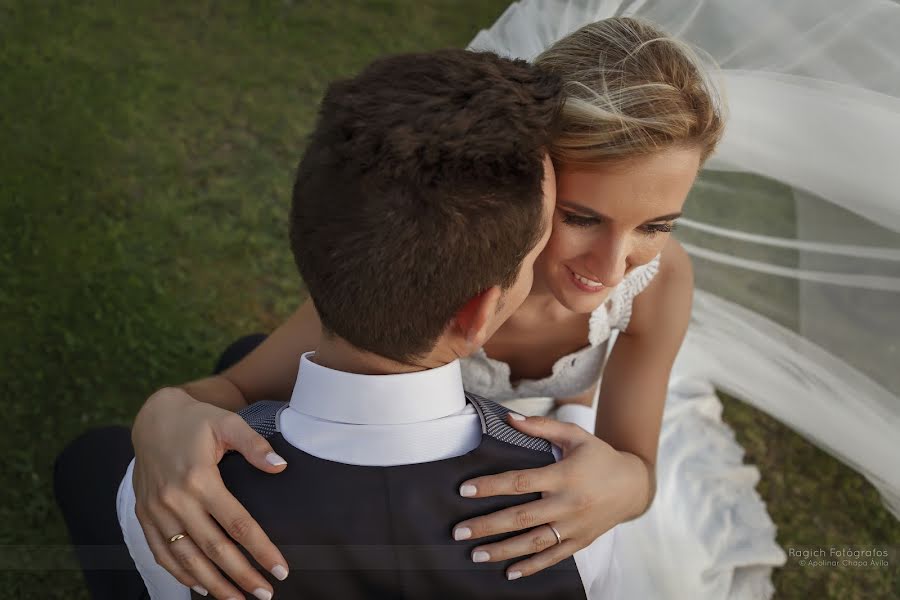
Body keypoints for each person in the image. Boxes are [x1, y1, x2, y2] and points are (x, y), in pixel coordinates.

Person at [119, 15, 782, 600]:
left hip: (547, 462)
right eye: (582, 218)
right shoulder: (435, 276)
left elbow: (636, 463)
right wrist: (161, 416)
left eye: (656, 226)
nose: (611, 269)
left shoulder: (658, 284)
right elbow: (232, 387)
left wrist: (624, 488)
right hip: (421, 432)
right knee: (248, 361)